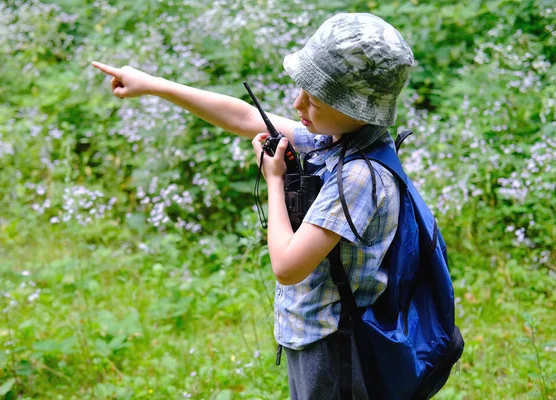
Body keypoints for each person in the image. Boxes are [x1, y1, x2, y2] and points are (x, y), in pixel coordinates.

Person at [92, 12, 414, 399]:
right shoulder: (338, 140)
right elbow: (246, 117)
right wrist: (154, 85)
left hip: (334, 344)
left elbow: (287, 267)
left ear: (353, 109)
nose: (297, 103)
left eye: (313, 99)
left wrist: (274, 181)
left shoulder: (359, 177)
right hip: (317, 334)